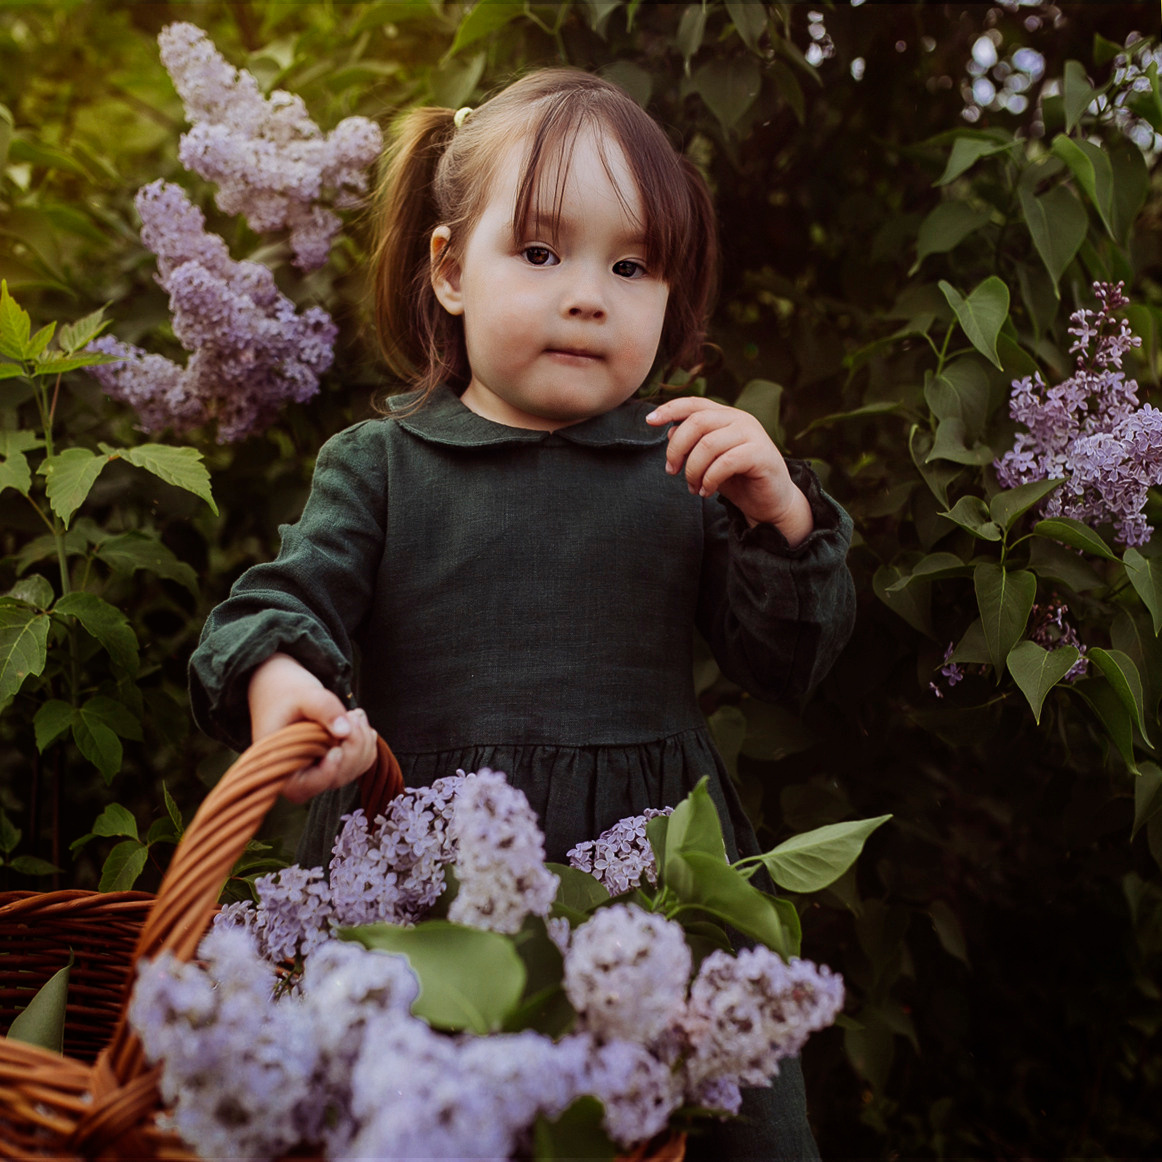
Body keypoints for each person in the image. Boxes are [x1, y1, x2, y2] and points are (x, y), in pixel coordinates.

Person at [189, 67, 855, 1160]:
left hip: (646, 895)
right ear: (448, 270)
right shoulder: (385, 466)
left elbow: (790, 663)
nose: (587, 293)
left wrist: (780, 513)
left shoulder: (681, 468)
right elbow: (281, 599)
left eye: (631, 264)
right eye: (540, 253)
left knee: (692, 1128)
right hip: (428, 888)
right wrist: (285, 690)